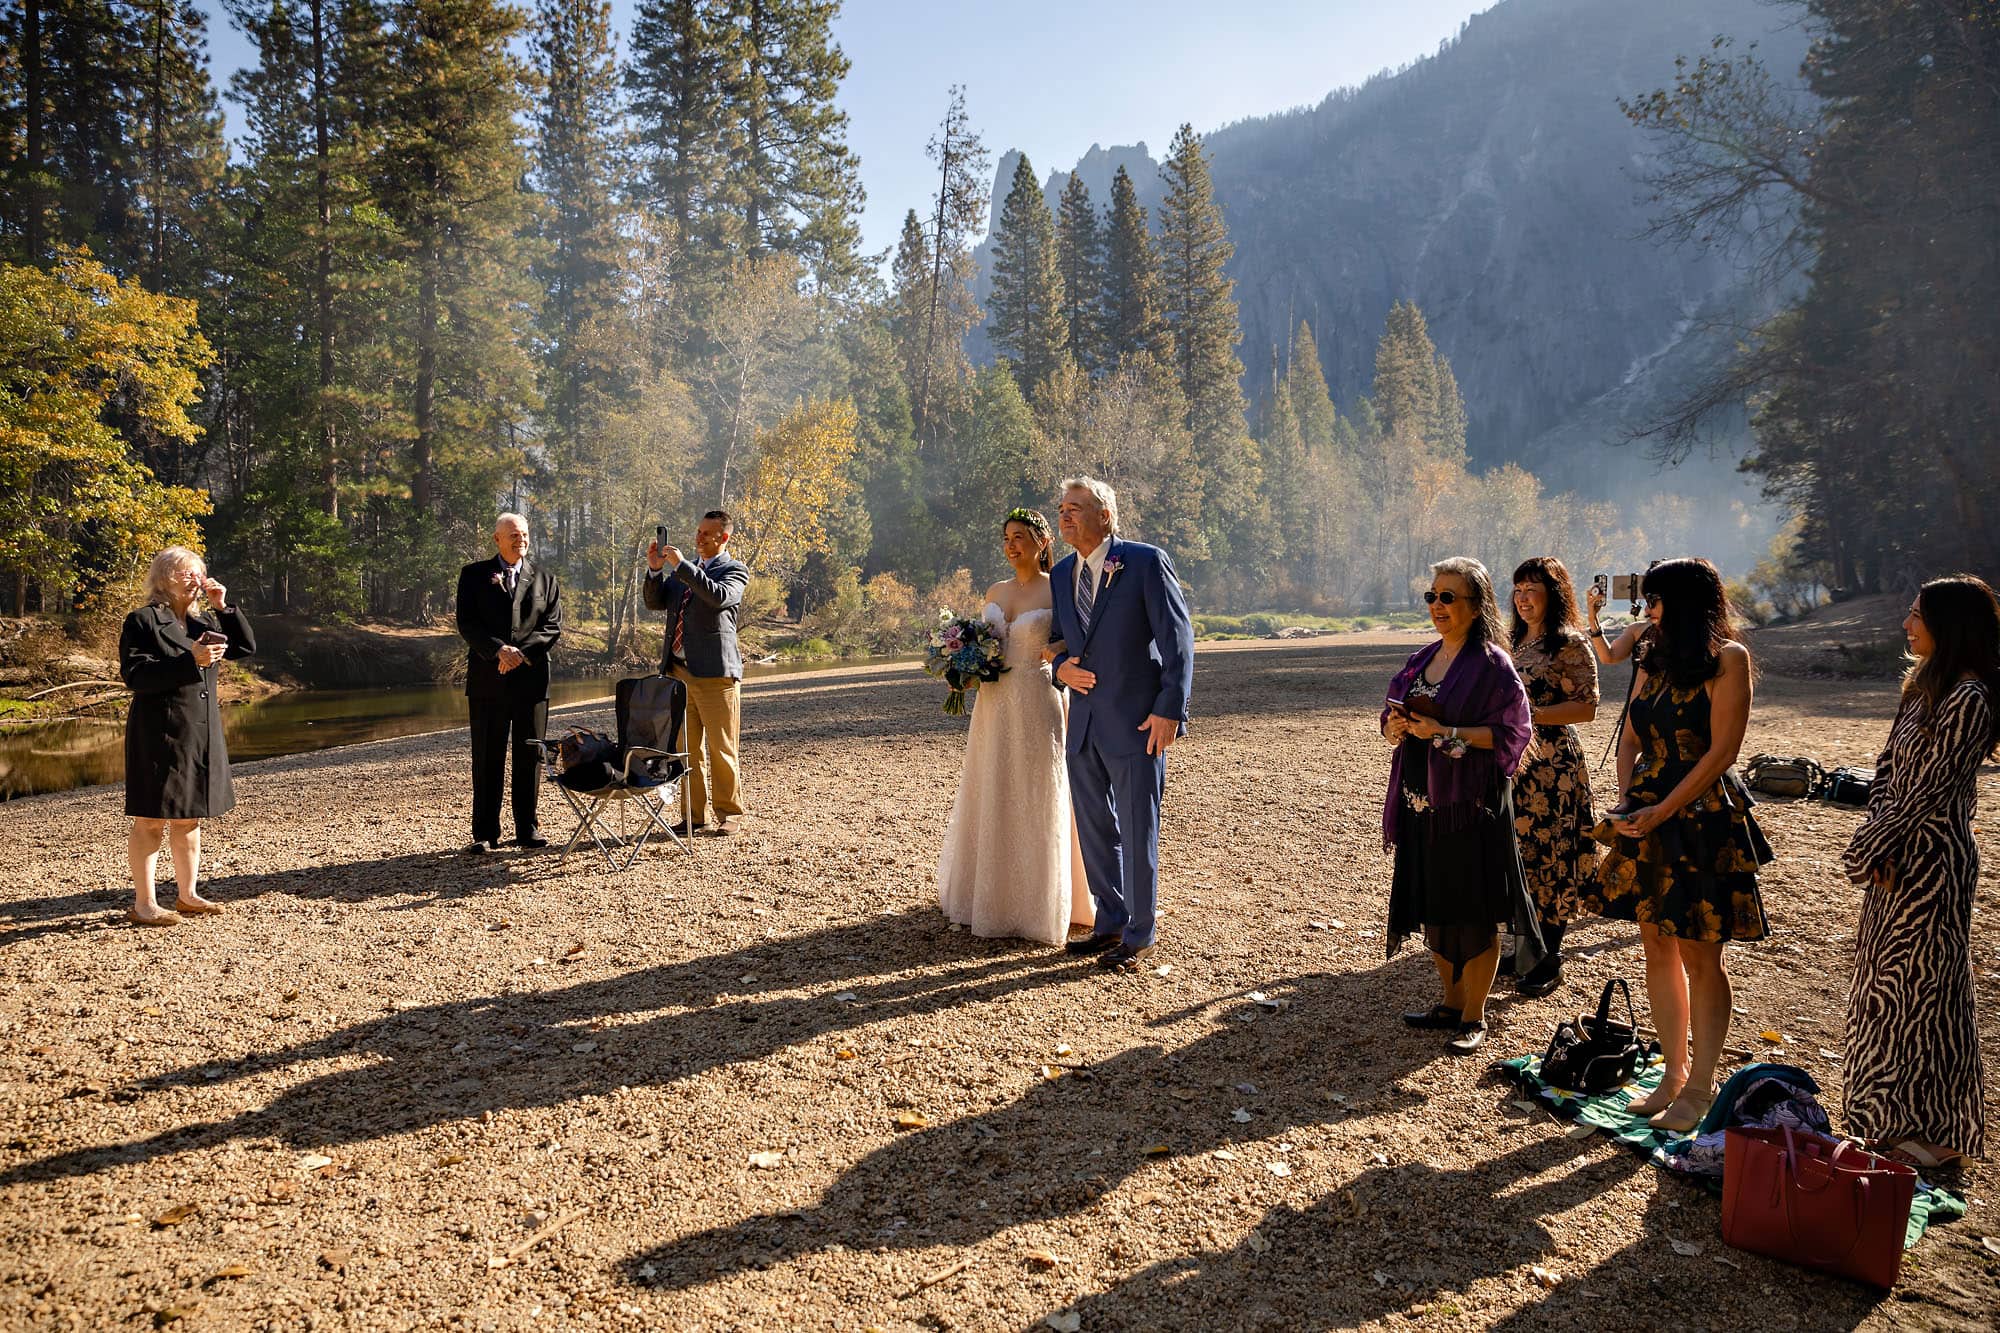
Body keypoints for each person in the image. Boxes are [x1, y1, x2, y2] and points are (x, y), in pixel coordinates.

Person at [1583, 557, 1770, 1132]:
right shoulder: (1651, 654)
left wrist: (1663, 808)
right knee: (1656, 943)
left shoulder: (1728, 659)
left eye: (1657, 600)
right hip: (1647, 812)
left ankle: (1699, 1087)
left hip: (1702, 814)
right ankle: (1672, 1074)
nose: (1647, 610)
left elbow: (1723, 752)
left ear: (1686, 602)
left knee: (1700, 953)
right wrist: (1627, 801)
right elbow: (1630, 735)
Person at [1839, 576, 1998, 1167]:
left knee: (1931, 994)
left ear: (1949, 624)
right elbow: (1887, 769)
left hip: (1934, 861)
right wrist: (1878, 843)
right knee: (1886, 989)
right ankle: (1888, 1118)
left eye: (1917, 615)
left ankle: (1945, 1134)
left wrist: (1869, 847)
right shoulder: (1923, 685)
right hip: (1896, 854)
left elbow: (1931, 789)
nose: (1906, 625)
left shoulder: (1971, 698)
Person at [1381, 557, 1540, 1054]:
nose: (1437, 605)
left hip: (1470, 806)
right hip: (1421, 803)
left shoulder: (1492, 665)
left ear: (1476, 605)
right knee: (1436, 904)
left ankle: (1475, 1015)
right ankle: (1450, 1002)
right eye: (1432, 596)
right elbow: (1389, 717)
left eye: (1448, 597)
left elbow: (1514, 733)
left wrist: (1446, 732)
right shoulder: (1420, 659)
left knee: (1471, 909)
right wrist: (1394, 727)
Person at [1048, 477, 1194, 972]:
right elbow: (1057, 640)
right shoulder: (1061, 573)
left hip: (1137, 722)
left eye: (1075, 508)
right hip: (1083, 723)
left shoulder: (1145, 562)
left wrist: (1170, 710)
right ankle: (1109, 921)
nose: (1065, 515)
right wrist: (1060, 669)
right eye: (1062, 508)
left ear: (1105, 515)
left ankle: (1140, 934)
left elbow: (1178, 641)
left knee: (1137, 829)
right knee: (1094, 831)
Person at [936, 509, 1095, 945]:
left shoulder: (1059, 588)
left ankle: (1039, 904)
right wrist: (963, 667)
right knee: (993, 785)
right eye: (1006, 537)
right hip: (993, 704)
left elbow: (1075, 642)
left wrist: (1057, 652)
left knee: (1037, 790)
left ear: (1043, 542)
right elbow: (986, 643)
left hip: (1037, 699)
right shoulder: (995, 590)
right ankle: (989, 897)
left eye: (1020, 537)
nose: (1011, 545)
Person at [119, 547, 256, 926]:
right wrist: (189, 660)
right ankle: (144, 904)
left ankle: (187, 895)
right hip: (158, 734)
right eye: (187, 573)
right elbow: (135, 676)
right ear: (165, 578)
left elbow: (245, 648)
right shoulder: (143, 620)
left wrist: (224, 607)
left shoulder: (202, 622)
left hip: (199, 732)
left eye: (199, 572)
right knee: (151, 820)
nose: (197, 580)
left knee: (189, 818)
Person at [1506, 557, 1600, 998]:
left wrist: (1529, 716)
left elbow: (1586, 707)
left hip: (1552, 769)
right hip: (1510, 764)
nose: (1523, 599)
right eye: (1518, 590)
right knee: (1518, 857)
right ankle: (1524, 947)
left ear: (1554, 595)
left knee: (1552, 857)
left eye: (1533, 590)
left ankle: (1549, 958)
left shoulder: (1569, 643)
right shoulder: (1509, 640)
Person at [455, 513, 563, 853]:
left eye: (525, 534)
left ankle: (527, 829)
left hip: (532, 682)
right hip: (488, 681)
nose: (521, 540)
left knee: (530, 756)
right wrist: (498, 651)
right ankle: (485, 833)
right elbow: (467, 623)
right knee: (487, 757)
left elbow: (552, 626)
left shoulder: (546, 579)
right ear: (497, 539)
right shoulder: (473, 575)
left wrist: (520, 654)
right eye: (514, 535)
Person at [645, 510, 750, 836]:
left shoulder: (734, 570)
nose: (699, 537)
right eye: (698, 531)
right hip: (678, 673)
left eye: (707, 533)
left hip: (716, 675)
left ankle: (729, 814)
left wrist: (681, 567)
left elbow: (717, 597)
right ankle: (694, 816)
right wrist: (655, 570)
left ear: (724, 537)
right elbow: (654, 602)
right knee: (686, 750)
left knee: (722, 749)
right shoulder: (683, 571)